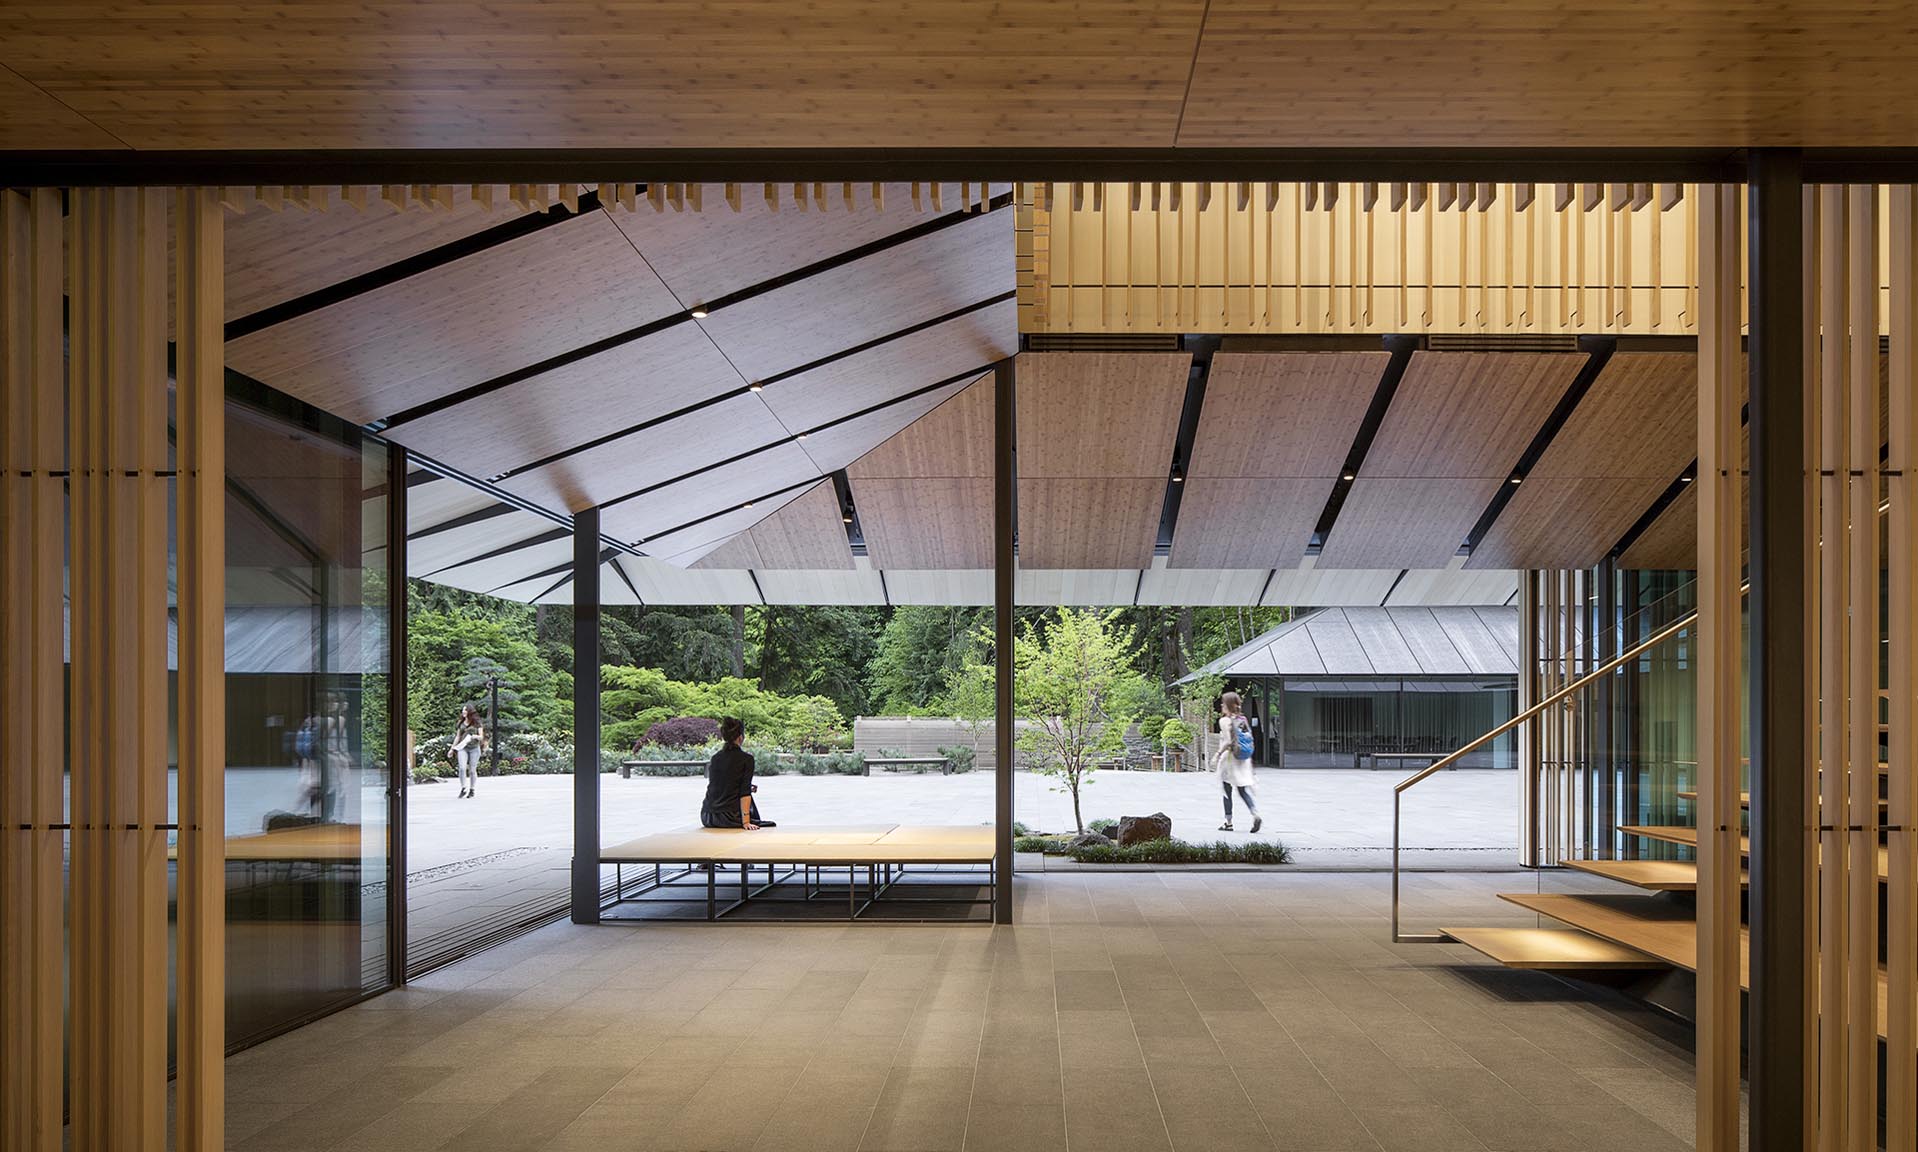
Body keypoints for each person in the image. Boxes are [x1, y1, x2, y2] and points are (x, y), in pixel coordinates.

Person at [700, 717, 775, 829]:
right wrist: (746, 822)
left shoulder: (715, 758)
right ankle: (747, 819)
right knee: (769, 824)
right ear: (740, 737)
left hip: (708, 816)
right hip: (729, 817)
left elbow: (719, 785)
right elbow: (744, 792)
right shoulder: (746, 759)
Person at [1212, 691, 1262, 833]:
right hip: (1243, 759)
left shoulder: (1224, 721)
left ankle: (1228, 822)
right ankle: (1255, 813)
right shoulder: (1242, 719)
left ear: (1227, 705)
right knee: (1242, 790)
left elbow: (1228, 741)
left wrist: (1217, 754)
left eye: (1223, 703)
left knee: (1226, 790)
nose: (1221, 705)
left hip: (1230, 759)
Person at [453, 704, 485, 799]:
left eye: (465, 710)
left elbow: (481, 736)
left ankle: (472, 789)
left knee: (472, 770)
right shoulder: (461, 722)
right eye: (463, 710)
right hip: (463, 747)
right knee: (462, 768)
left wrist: (474, 737)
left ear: (469, 712)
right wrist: (452, 748)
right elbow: (458, 736)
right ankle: (463, 788)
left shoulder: (477, 723)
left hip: (474, 748)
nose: (463, 712)